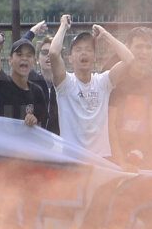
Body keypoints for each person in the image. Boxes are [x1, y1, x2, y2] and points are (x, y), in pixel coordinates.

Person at [47, 16, 134, 156]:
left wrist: (105, 35)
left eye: (88, 49)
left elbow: (129, 59)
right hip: (72, 157)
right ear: (70, 58)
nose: (83, 52)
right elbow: (53, 53)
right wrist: (63, 26)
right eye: (78, 49)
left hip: (101, 157)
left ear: (94, 57)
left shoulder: (103, 82)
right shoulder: (65, 83)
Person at [107, 27, 152, 171]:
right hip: (118, 159)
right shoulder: (116, 78)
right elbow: (110, 127)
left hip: (148, 159)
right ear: (128, 48)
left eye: (148, 47)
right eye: (139, 46)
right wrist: (120, 162)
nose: (144, 52)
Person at [0, 33, 50, 129]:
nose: (24, 58)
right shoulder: (0, 83)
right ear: (10, 60)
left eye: (29, 55)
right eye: (19, 54)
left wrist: (34, 121)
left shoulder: (37, 92)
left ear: (34, 62)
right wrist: (2, 37)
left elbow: (42, 128)